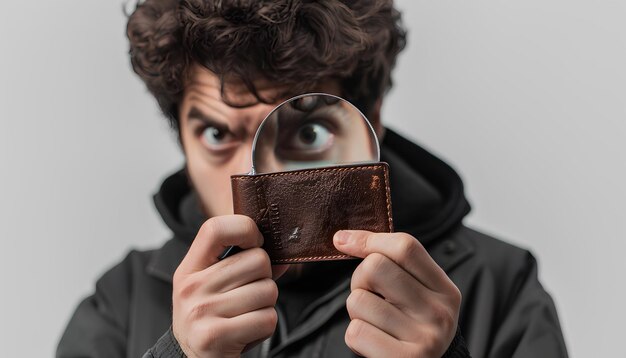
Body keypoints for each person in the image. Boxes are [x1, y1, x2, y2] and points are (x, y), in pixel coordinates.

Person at [57, 0, 568, 357]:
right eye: (216, 134)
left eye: (307, 132)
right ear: (182, 141)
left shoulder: (501, 285)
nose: (254, 177)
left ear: (373, 121)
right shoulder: (120, 301)